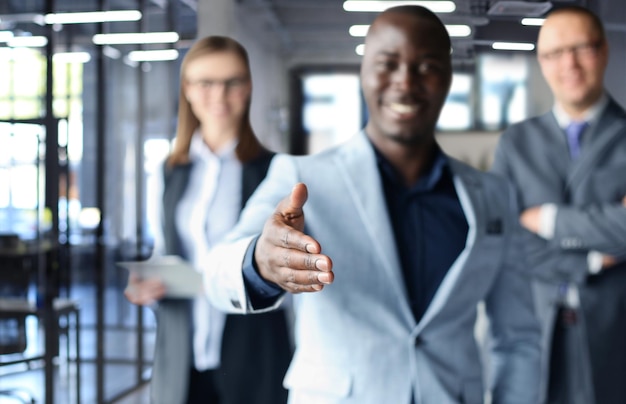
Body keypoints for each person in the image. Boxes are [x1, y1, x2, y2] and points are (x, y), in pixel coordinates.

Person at [202, 6, 541, 404]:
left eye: (427, 65)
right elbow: (216, 272)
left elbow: (518, 338)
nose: (405, 82)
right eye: (388, 63)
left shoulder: (493, 195)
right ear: (364, 74)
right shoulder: (301, 176)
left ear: (449, 79)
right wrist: (260, 261)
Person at [123, 36, 291, 404]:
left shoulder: (274, 173)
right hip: (182, 349)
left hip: (252, 350)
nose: (219, 94)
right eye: (205, 82)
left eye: (232, 82)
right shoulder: (170, 171)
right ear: (187, 90)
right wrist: (145, 282)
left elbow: (282, 267)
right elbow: (164, 251)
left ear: (247, 88)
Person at [491, 6, 626, 404]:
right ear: (541, 62)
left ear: (603, 51)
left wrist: (547, 219)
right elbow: (503, 240)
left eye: (581, 48)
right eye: (554, 53)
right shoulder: (515, 144)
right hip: (532, 329)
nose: (569, 63)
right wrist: (590, 259)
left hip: (615, 332)